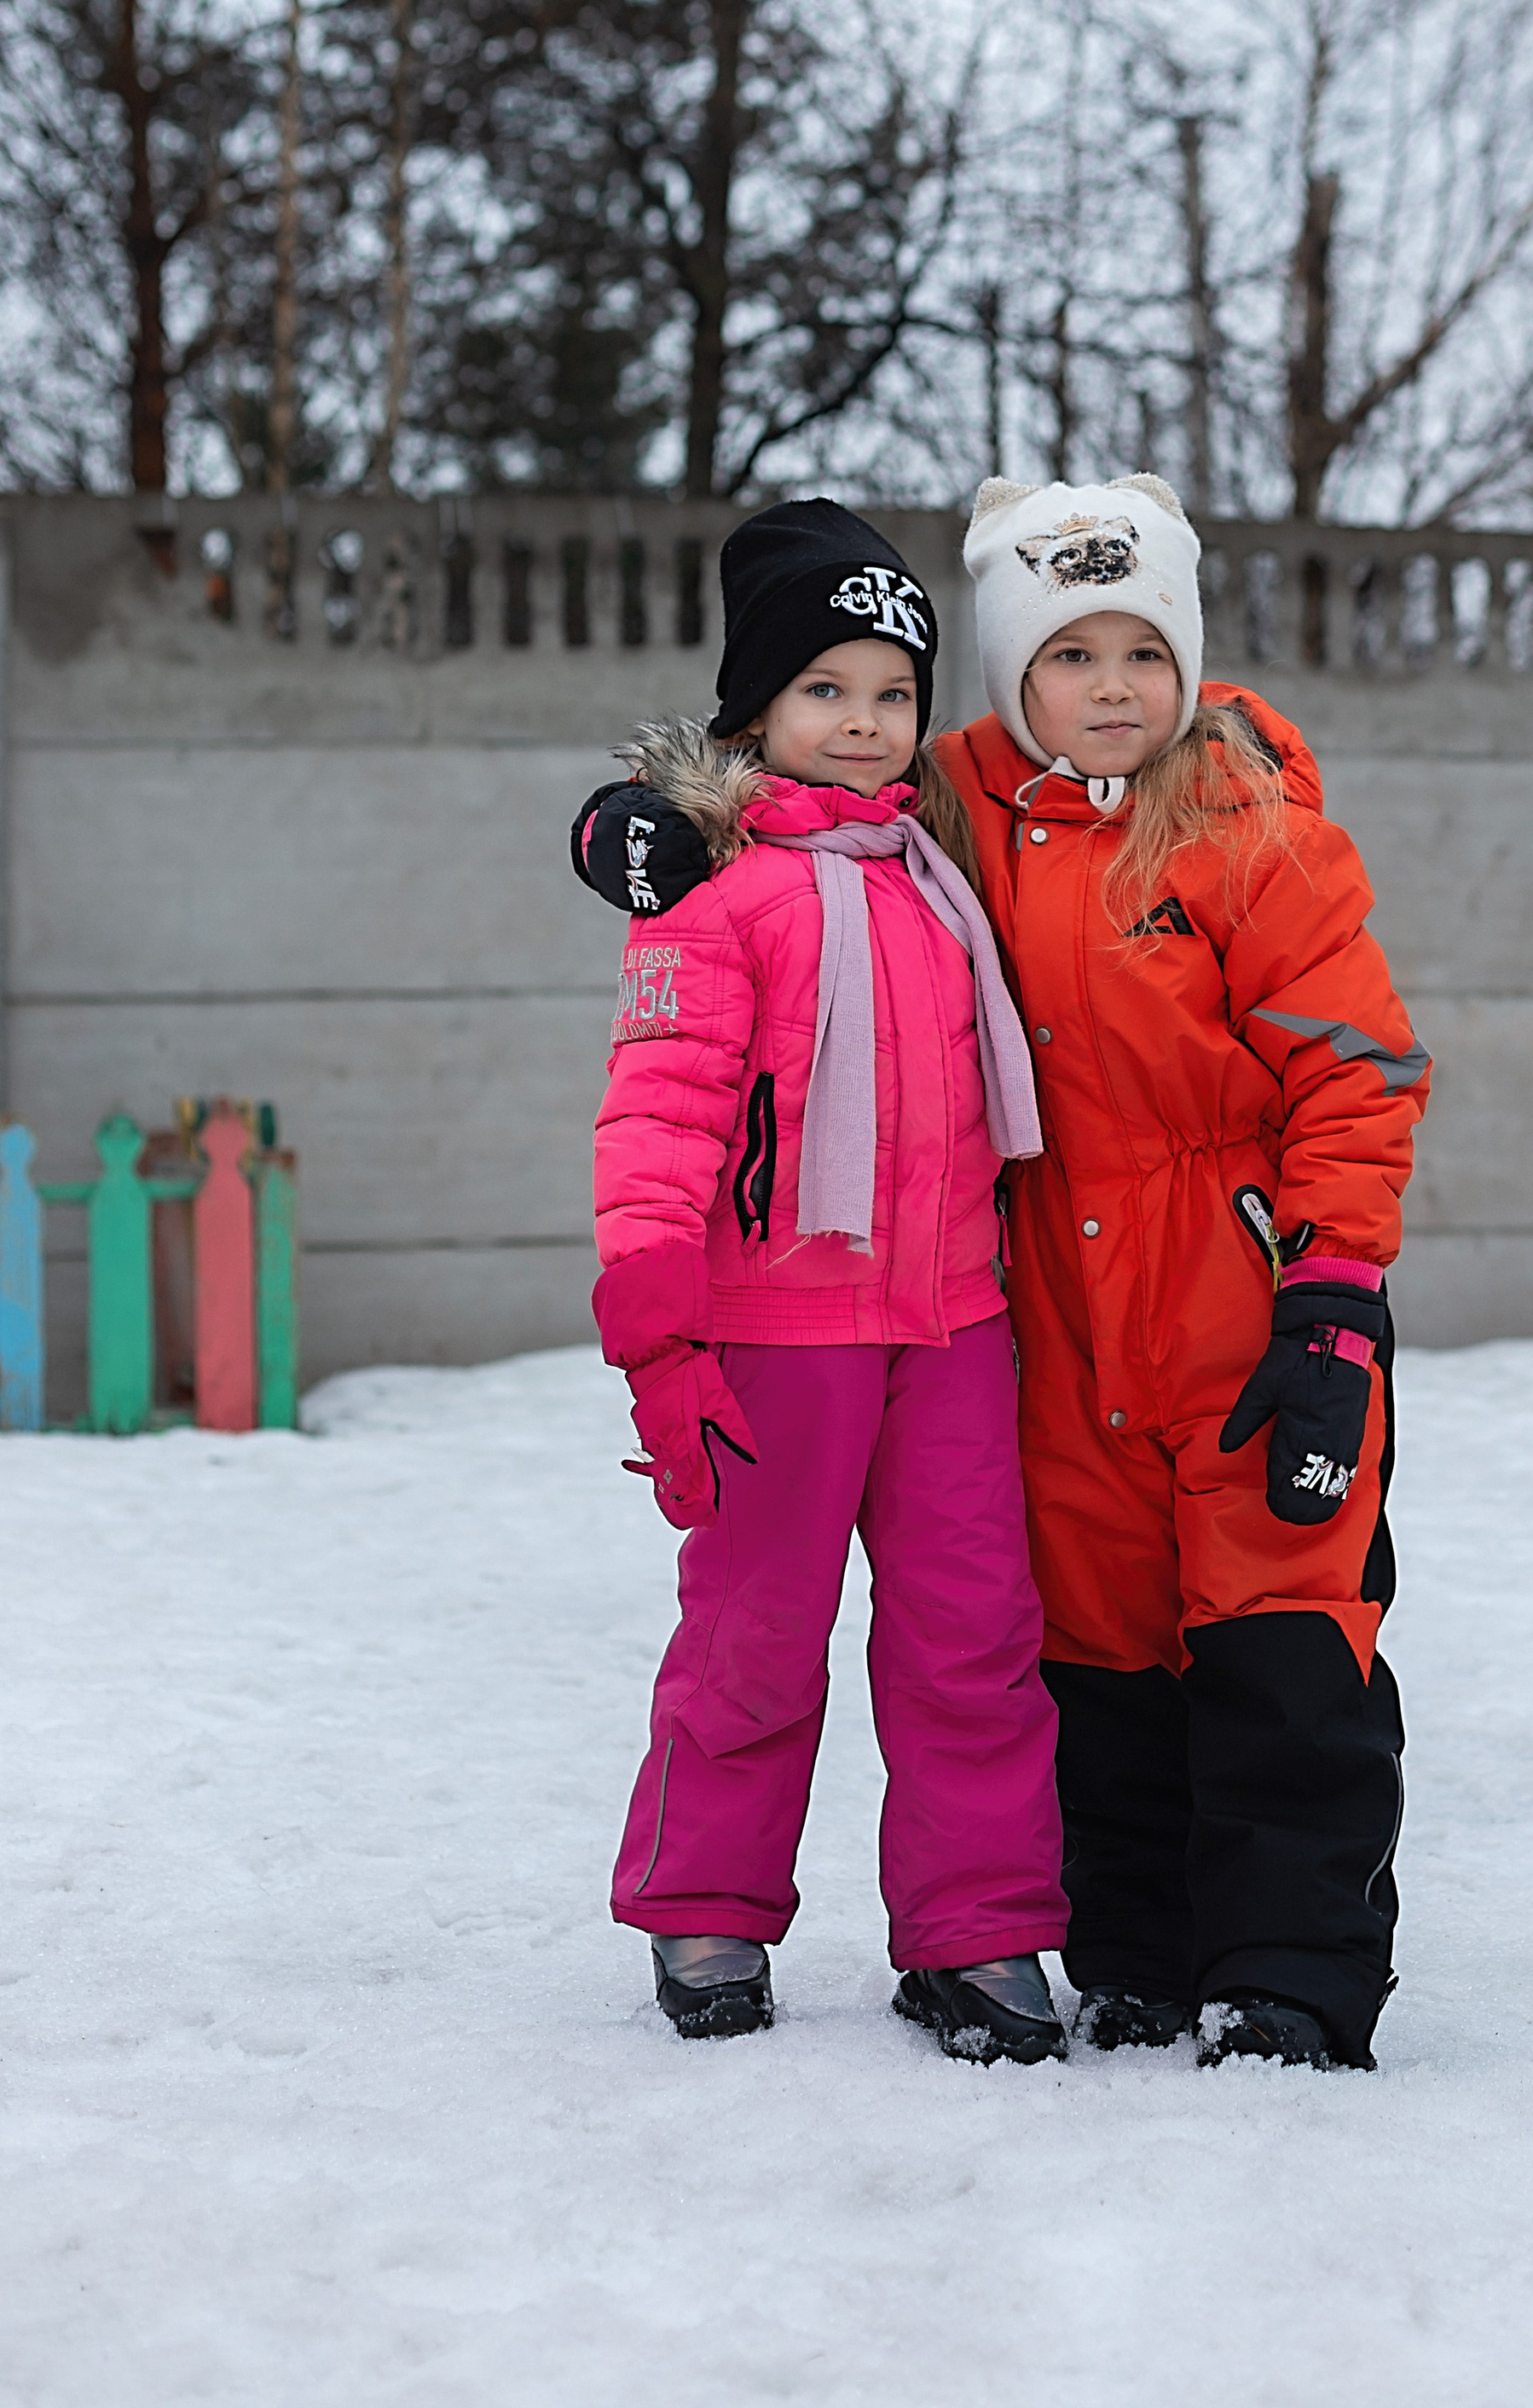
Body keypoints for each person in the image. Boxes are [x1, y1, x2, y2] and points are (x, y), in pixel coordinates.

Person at [578, 477, 1429, 2074]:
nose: (1108, 690)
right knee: (1085, 1654)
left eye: (1141, 653)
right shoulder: (966, 802)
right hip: (1034, 1322)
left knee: (1275, 1646)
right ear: (1010, 684)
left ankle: (1288, 1980)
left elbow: (1358, 1073)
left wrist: (1334, 1292)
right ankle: (1130, 1955)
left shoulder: (1253, 837)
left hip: (1223, 1313)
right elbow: (774, 784)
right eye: (1065, 656)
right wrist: (630, 819)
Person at [577, 499, 1069, 2064]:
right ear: (759, 712)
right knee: (755, 1634)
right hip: (775, 1336)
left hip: (950, 1329)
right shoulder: (712, 904)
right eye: (825, 691)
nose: (864, 725)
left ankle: (977, 1934)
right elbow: (653, 1126)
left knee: (974, 1639)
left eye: (892, 693)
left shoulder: (945, 884)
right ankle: (706, 1907)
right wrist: (662, 1348)